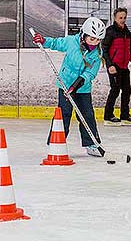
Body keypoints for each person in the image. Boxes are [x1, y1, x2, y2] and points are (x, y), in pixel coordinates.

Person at [32, 17, 106, 157]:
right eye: (92, 39)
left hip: (83, 89)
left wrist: (76, 85)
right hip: (65, 85)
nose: (94, 43)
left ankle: (92, 144)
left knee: (87, 115)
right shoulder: (71, 42)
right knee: (63, 114)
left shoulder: (97, 54)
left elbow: (90, 73)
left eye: (97, 40)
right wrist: (43, 40)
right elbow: (56, 43)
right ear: (83, 34)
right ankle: (55, 141)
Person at [101, 7, 131, 126]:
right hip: (114, 67)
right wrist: (110, 65)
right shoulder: (110, 31)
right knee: (115, 90)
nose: (122, 20)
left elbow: (129, 49)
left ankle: (124, 115)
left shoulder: (127, 32)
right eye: (120, 18)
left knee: (127, 90)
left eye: (124, 17)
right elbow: (104, 50)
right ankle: (108, 116)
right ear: (115, 18)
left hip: (124, 67)